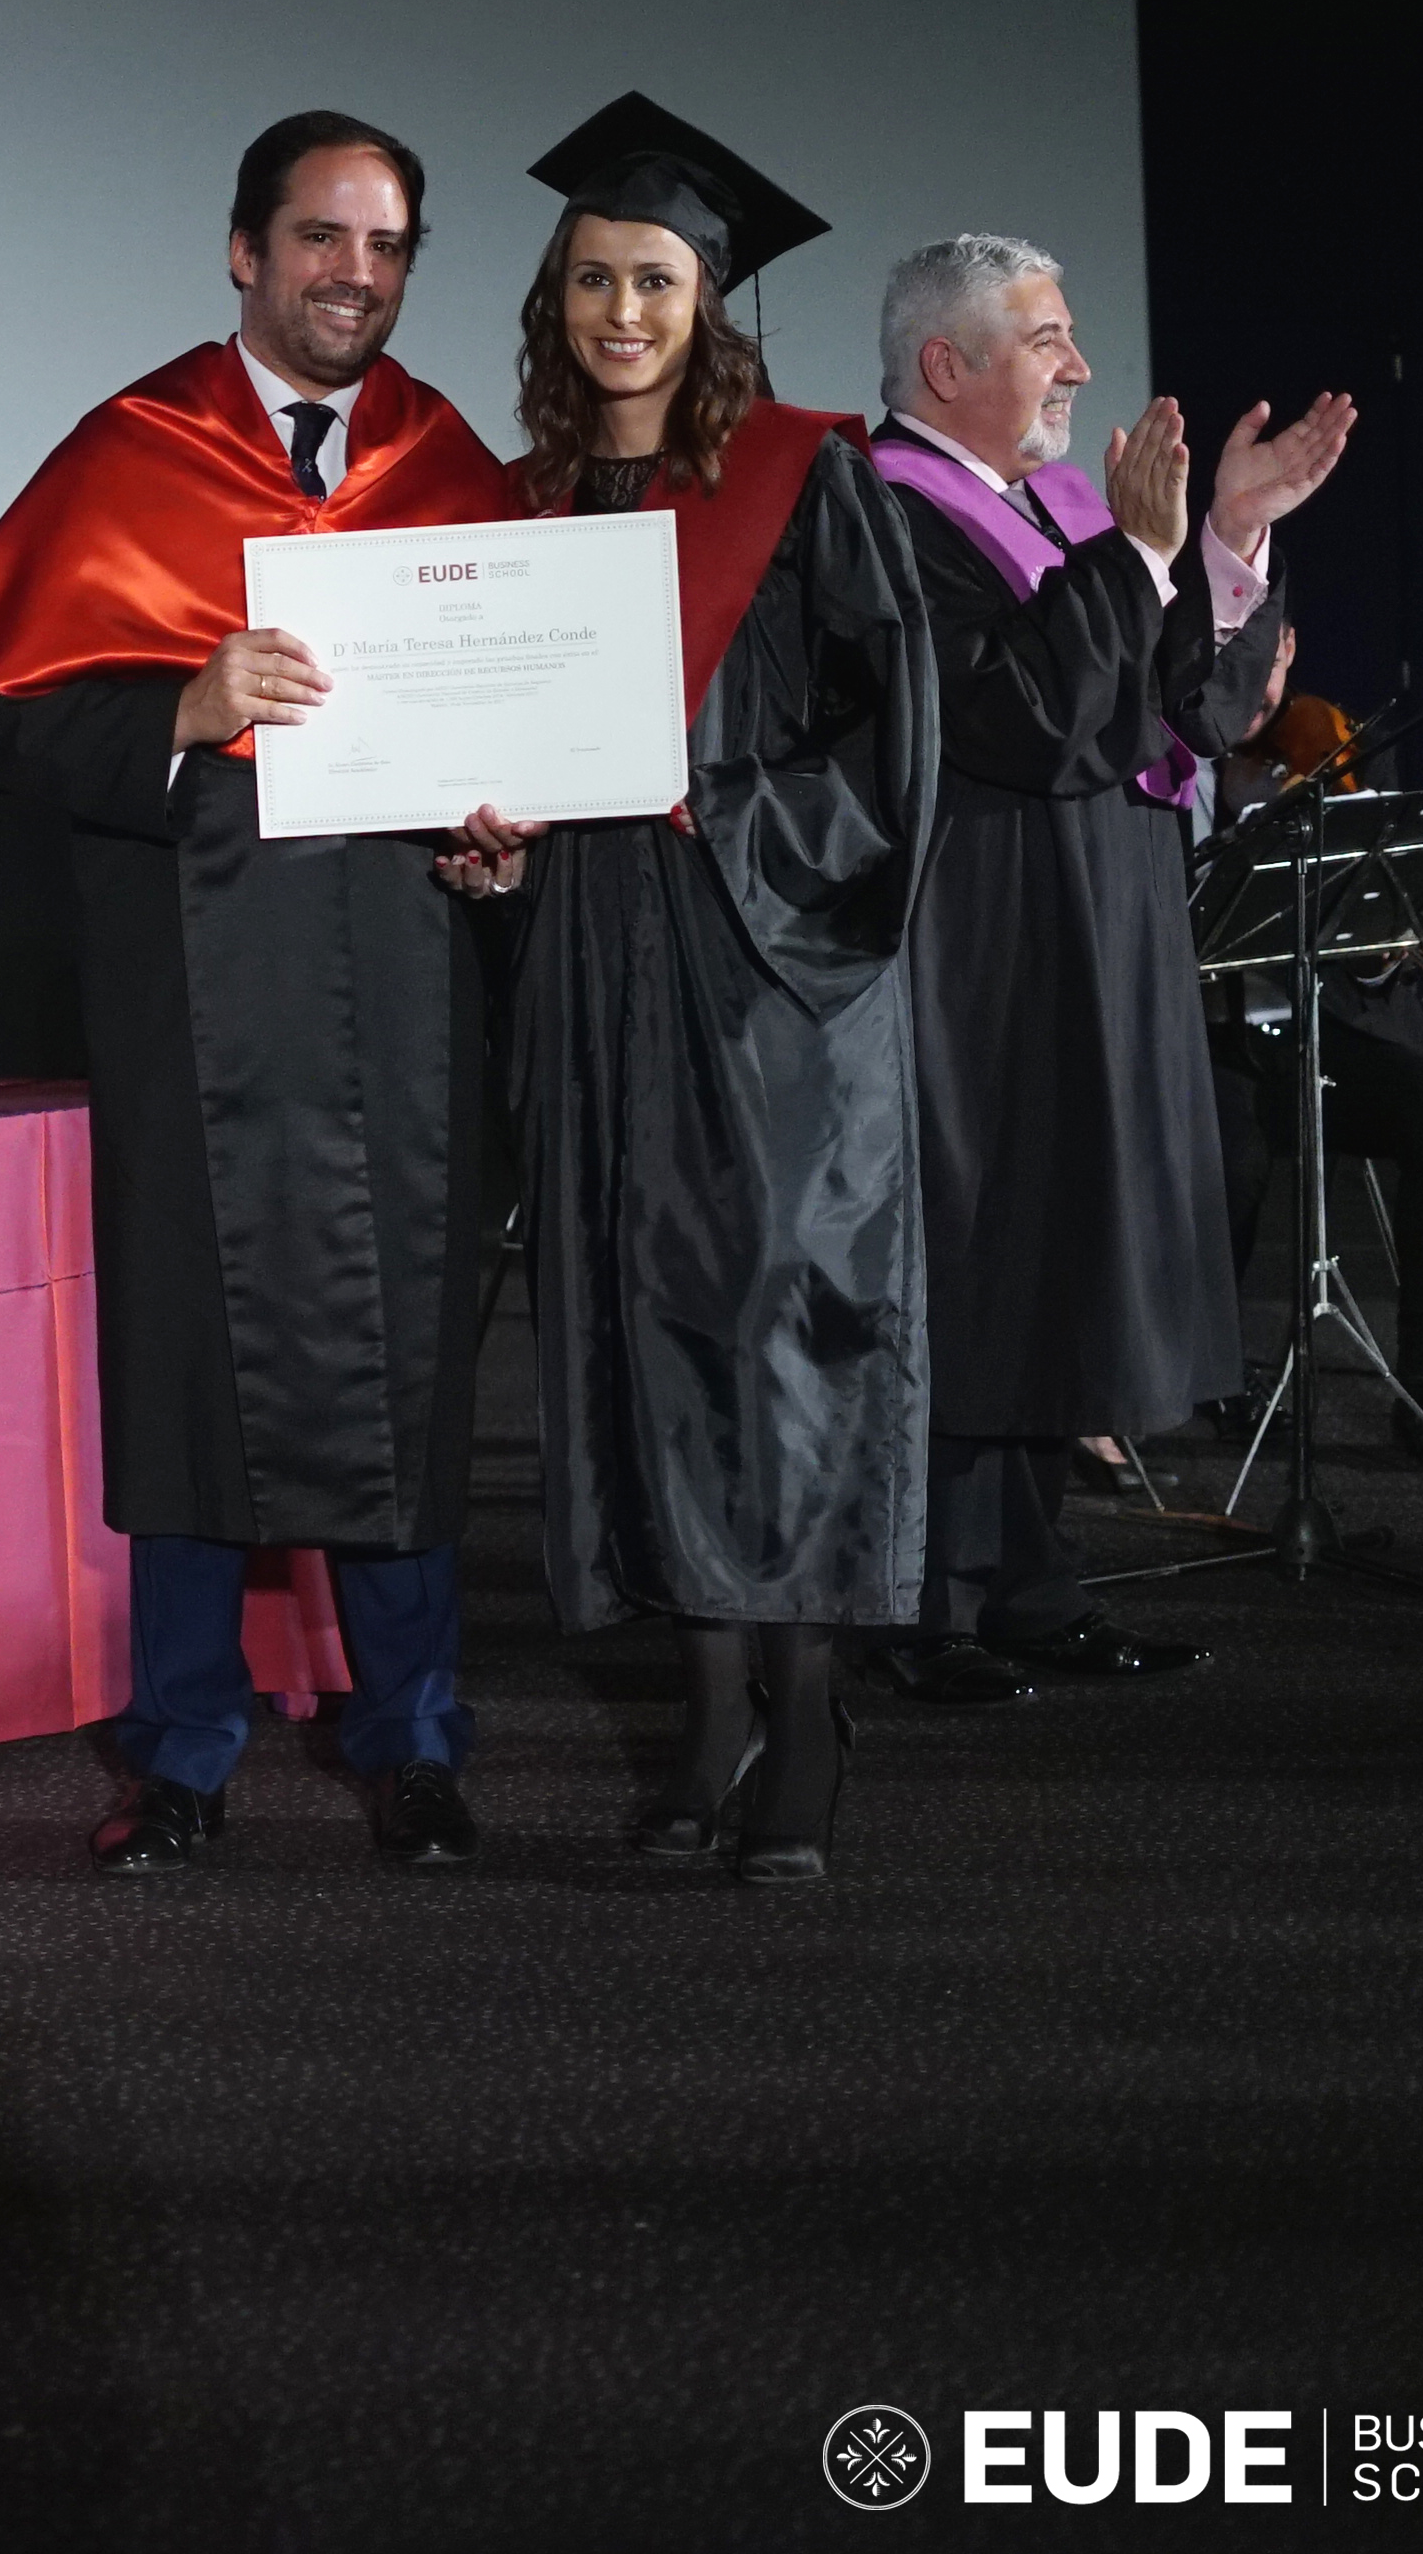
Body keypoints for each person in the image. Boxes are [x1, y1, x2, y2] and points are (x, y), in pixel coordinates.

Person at [0, 111, 513, 1873]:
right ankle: (182, 1747)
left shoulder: (445, 459)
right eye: (323, 237)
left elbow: (512, 735)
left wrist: (507, 845)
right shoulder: (136, 446)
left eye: (388, 246)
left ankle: (414, 1736)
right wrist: (180, 709)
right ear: (246, 250)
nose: (356, 275)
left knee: (409, 1361)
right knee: (196, 1359)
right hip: (196, 985)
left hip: (406, 984)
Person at [457, 98, 940, 1884]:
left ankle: (805, 1714)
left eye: (655, 279)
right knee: (642, 1325)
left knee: (783, 1325)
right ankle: (711, 1704)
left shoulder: (808, 474)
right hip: (601, 964)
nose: (622, 311)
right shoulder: (529, 503)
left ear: (712, 299)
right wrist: (488, 843)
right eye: (593, 279)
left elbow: (893, 746)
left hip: (779, 978)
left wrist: (718, 810)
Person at [872, 236, 1353, 1696]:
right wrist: (1145, 558)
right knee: (982, 1253)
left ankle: (1030, 1589)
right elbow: (1023, 721)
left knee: (1060, 1248)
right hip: (984, 934)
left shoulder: (1064, 510)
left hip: (1108, 917)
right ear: (945, 364)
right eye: (1046, 341)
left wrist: (1231, 534)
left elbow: (1197, 714)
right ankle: (923, 1609)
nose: (1080, 367)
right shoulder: (886, 513)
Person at [1200, 655, 1423, 1469]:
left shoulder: (1345, 747)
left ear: (1289, 647)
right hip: (1217, 1035)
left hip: (1331, 1029)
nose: (1251, 682)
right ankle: (1217, 1368)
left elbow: (1379, 945)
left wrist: (1380, 946)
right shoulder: (1172, 765)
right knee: (1234, 1161)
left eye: (1264, 655)